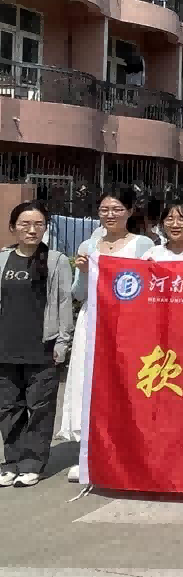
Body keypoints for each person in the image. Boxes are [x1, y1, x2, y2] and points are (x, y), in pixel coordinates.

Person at [59, 188, 156, 475]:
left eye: (116, 209)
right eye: (104, 209)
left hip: (127, 324)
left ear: (129, 211)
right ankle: (89, 452)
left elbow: (148, 287)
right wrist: (83, 272)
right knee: (88, 381)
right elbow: (79, 294)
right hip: (93, 320)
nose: (110, 215)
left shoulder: (143, 244)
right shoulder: (88, 245)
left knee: (122, 382)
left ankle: (125, 451)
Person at [0, 203, 72, 488]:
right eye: (25, 224)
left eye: (38, 224)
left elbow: (64, 302)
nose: (32, 230)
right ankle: (12, 462)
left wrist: (62, 341)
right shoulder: (3, 259)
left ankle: (32, 464)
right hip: (5, 348)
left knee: (40, 410)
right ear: (13, 227)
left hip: (42, 349)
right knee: (8, 408)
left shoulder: (55, 260)